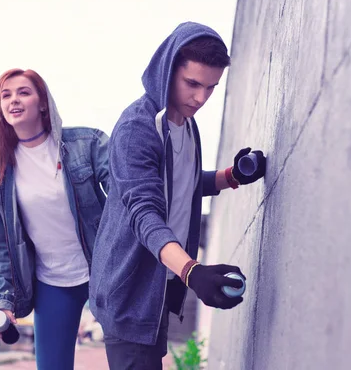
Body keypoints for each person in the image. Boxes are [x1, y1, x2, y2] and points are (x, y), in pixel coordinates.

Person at [89, 22, 266, 369]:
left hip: (157, 286)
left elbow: (181, 185)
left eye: (211, 87)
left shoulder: (186, 123)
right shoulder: (136, 129)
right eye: (193, 84)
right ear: (168, 70)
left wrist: (232, 176)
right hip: (129, 291)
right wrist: (193, 272)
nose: (201, 98)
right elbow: (146, 215)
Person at [0, 68, 109, 369]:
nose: (14, 100)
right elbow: (1, 244)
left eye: (24, 92)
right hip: (52, 283)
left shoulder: (86, 144)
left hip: (105, 270)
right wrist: (2, 300)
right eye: (6, 95)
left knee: (128, 361)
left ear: (42, 102)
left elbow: (127, 197)